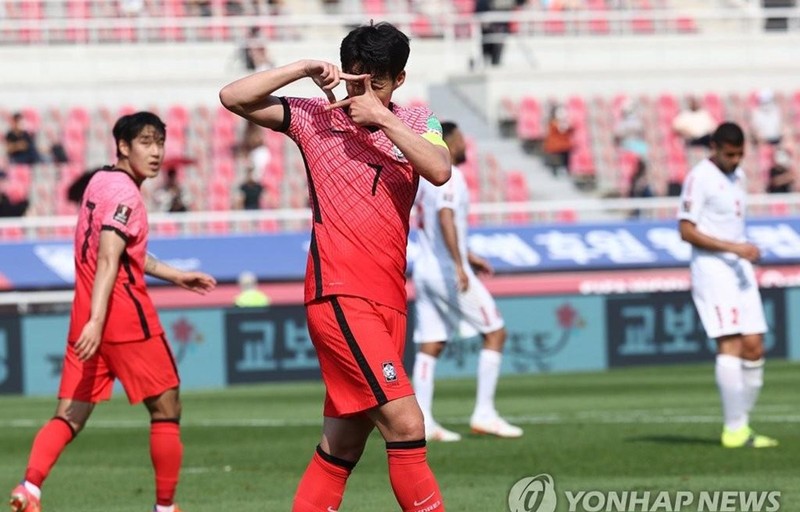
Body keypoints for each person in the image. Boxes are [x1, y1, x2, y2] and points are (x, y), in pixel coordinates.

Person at [219, 21, 451, 512]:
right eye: (357, 78)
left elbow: (439, 169)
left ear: (399, 80)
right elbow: (232, 96)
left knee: (342, 447)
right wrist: (302, 68)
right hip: (340, 294)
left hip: (388, 299)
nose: (364, 90)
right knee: (408, 426)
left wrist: (384, 119)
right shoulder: (313, 117)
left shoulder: (419, 119)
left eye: (378, 82)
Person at [8, 112, 217, 512]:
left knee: (71, 412)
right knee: (167, 406)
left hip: (85, 308)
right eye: (146, 142)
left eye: (160, 142)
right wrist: (100, 321)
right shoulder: (127, 195)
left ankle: (30, 487)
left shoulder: (100, 182)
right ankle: (165, 507)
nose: (156, 152)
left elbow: (122, 250)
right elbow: (109, 258)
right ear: (123, 146)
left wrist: (175, 275)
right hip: (118, 312)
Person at [412, 122, 522, 443]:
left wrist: (467, 254)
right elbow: (445, 216)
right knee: (495, 332)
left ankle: (424, 420)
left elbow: (435, 222)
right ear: (448, 142)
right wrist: (460, 264)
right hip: (447, 271)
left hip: (426, 268)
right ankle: (484, 413)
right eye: (460, 139)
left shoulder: (423, 178)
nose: (464, 145)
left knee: (431, 344)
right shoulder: (448, 174)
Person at [677, 122, 778, 449]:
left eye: (739, 155)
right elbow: (686, 230)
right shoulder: (700, 178)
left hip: (739, 268)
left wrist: (741, 250)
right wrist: (735, 248)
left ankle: (742, 424)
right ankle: (734, 429)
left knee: (754, 346)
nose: (735, 160)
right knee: (730, 343)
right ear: (715, 148)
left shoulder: (739, 176)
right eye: (729, 154)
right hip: (713, 269)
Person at [542, 104, 573, 177]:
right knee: (556, 157)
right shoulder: (553, 123)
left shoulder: (562, 122)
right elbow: (562, 129)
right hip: (556, 146)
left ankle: (566, 169)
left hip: (564, 146)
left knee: (566, 157)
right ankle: (555, 169)